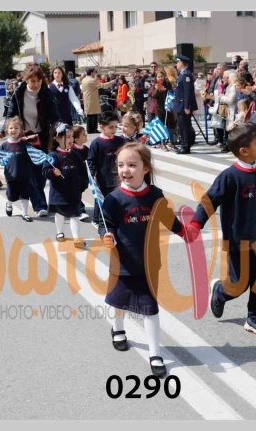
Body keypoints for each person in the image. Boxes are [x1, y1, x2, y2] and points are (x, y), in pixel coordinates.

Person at [185, 124, 256, 339]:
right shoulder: (229, 177)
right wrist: (195, 224)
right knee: (238, 285)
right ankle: (220, 291)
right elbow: (209, 201)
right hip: (237, 242)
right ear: (244, 151)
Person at [100, 142, 187, 377]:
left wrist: (185, 232)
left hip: (148, 262)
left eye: (131, 165)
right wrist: (107, 235)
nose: (125, 170)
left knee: (150, 308)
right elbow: (105, 224)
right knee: (118, 301)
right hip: (122, 262)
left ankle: (155, 353)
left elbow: (168, 218)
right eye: (120, 165)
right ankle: (118, 329)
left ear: (145, 168)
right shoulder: (113, 199)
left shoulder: (155, 195)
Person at [0, 64, 57, 216]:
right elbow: (10, 114)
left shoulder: (46, 93)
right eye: (32, 81)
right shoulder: (19, 93)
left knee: (40, 171)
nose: (36, 84)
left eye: (39, 81)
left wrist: (59, 132)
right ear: (26, 80)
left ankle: (39, 203)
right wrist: (2, 131)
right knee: (30, 172)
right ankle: (40, 206)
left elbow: (55, 116)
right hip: (23, 138)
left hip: (41, 136)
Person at [44, 123, 86, 249]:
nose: (71, 139)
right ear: (57, 139)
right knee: (60, 214)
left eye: (72, 136)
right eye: (67, 137)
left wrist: (83, 184)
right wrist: (53, 172)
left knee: (75, 215)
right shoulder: (53, 155)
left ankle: (77, 238)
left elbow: (83, 171)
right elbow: (45, 171)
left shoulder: (75, 154)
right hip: (59, 193)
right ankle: (60, 232)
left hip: (74, 192)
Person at [0, 117, 38, 222]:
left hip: (25, 175)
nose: (13, 130)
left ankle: (24, 213)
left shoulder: (24, 143)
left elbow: (33, 153)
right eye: (11, 128)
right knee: (12, 195)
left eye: (16, 128)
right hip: (11, 175)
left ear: (21, 130)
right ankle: (9, 203)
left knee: (25, 195)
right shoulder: (5, 145)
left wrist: (37, 155)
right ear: (7, 130)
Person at [87, 110, 126, 227]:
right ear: (102, 127)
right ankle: (97, 219)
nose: (114, 130)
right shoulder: (96, 143)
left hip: (118, 177)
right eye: (111, 127)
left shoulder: (120, 141)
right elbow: (91, 161)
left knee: (118, 199)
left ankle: (115, 219)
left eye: (115, 127)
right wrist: (92, 175)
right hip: (103, 177)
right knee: (101, 199)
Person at [173, 54, 198, 154]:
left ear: (182, 63)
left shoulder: (186, 74)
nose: (176, 64)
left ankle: (185, 146)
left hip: (184, 105)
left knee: (184, 126)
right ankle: (183, 144)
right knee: (181, 126)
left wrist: (187, 106)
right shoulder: (182, 74)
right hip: (181, 105)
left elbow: (188, 92)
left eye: (178, 62)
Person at [81, 68, 115, 134]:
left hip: (87, 99)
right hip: (92, 99)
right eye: (94, 72)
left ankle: (89, 129)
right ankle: (93, 129)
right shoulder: (92, 80)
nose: (95, 73)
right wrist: (111, 82)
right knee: (94, 114)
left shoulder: (84, 80)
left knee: (89, 115)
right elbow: (102, 85)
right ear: (91, 73)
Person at [71, 125, 91, 222]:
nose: (86, 136)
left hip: (84, 177)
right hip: (74, 178)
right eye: (83, 134)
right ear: (76, 139)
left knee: (78, 193)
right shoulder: (71, 150)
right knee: (75, 194)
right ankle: (80, 210)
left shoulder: (86, 149)